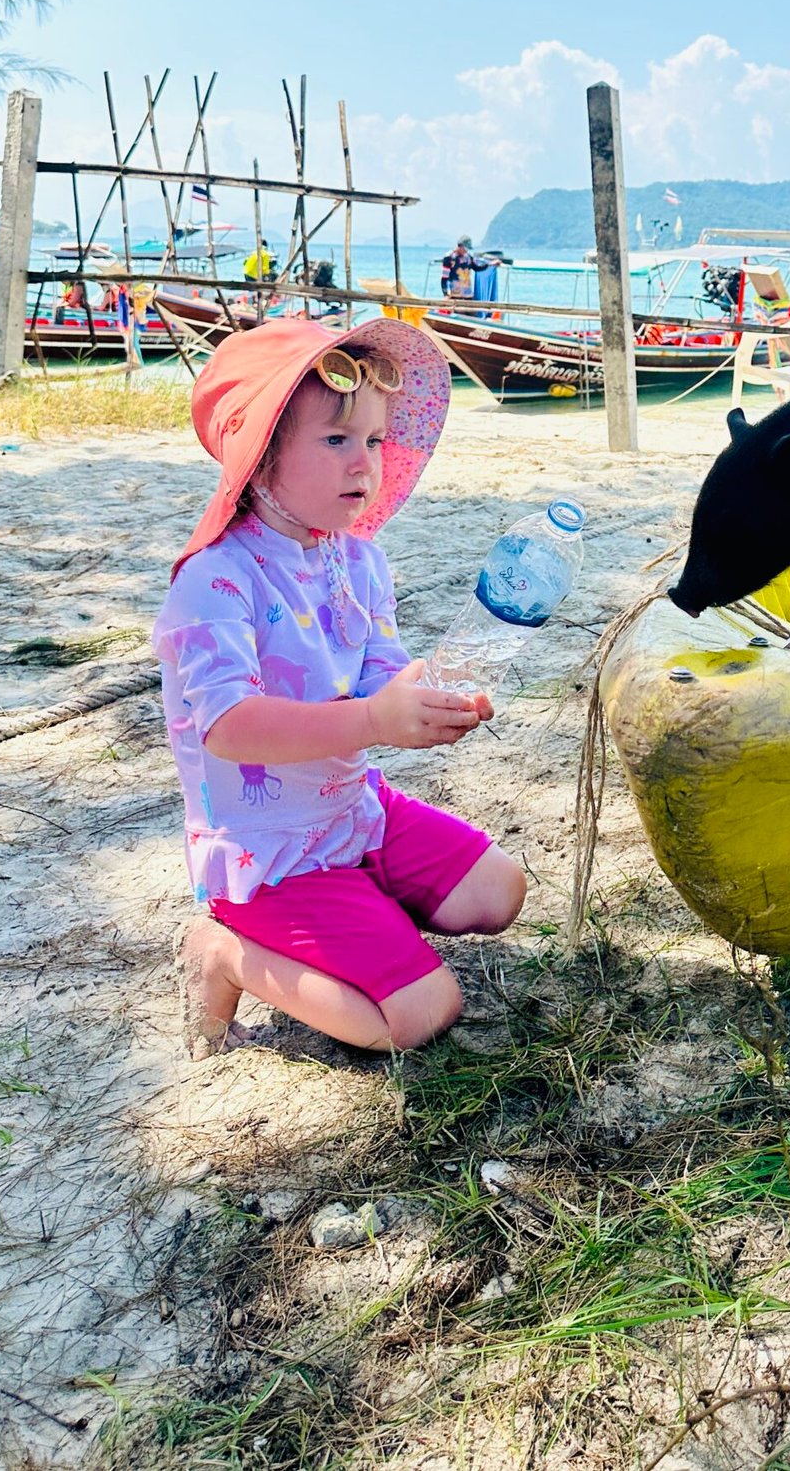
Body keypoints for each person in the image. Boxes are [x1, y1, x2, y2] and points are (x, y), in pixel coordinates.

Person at [153, 316, 524, 1060]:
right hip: (271, 852)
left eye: (377, 441)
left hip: (352, 812)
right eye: (336, 440)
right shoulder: (214, 581)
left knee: (499, 890)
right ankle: (224, 952)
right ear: (259, 459)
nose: (366, 462)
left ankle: (360, 916)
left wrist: (433, 694)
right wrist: (372, 720)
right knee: (420, 1013)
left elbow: (381, 671)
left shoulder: (357, 561)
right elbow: (229, 726)